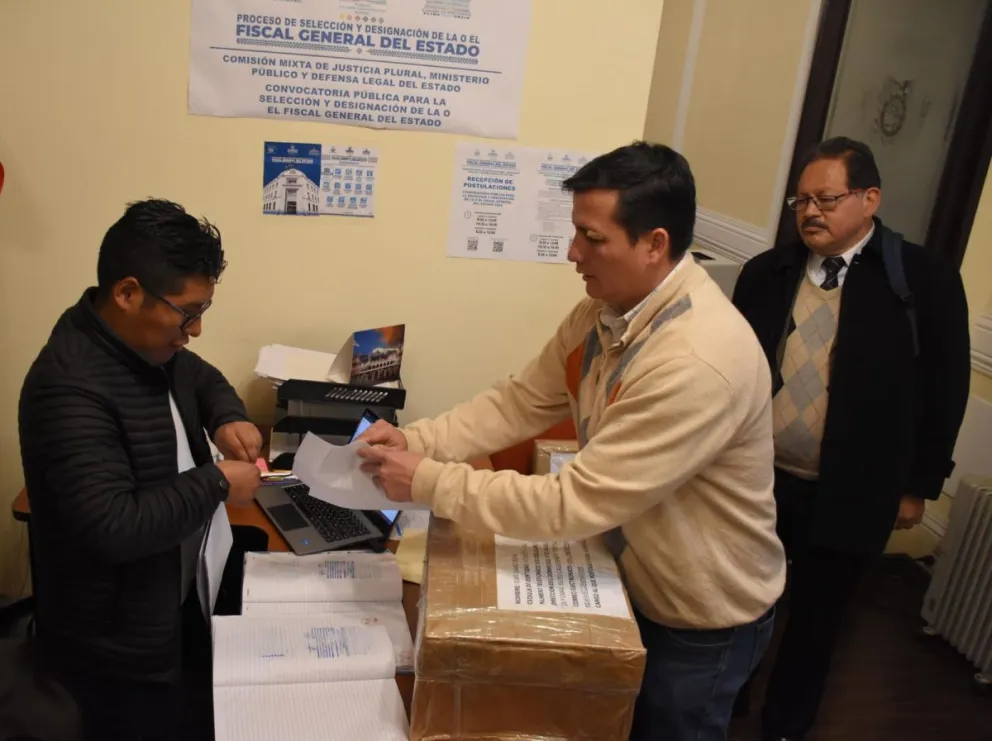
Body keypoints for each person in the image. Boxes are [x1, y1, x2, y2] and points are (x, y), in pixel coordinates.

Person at [357, 142, 786, 741]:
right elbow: (520, 401)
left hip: (698, 615)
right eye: (575, 231)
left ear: (654, 244)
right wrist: (415, 439)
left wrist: (426, 480)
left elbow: (574, 503)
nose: (572, 252)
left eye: (592, 237)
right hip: (636, 574)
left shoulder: (698, 359)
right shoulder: (603, 311)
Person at [731, 137, 971, 741]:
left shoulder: (922, 281)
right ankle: (726, 707)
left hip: (854, 490)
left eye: (827, 199)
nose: (810, 212)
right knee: (741, 605)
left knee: (818, 620)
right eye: (802, 201)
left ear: (870, 200)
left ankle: (785, 726)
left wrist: (918, 487)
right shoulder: (767, 274)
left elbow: (945, 390)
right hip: (758, 480)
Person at [18, 199, 264, 741]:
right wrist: (219, 481)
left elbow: (202, 378)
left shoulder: (148, 346)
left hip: (174, 601)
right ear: (128, 293)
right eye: (186, 313)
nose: (195, 330)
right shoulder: (67, 386)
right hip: (116, 650)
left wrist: (227, 417)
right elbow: (114, 525)